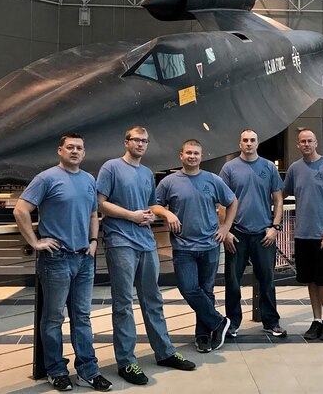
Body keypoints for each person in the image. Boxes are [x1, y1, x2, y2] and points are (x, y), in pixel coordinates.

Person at [97, 126, 196, 386]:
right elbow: (100, 203)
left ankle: (164, 351)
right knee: (123, 304)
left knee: (153, 299)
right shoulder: (111, 167)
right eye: (136, 140)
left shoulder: (146, 172)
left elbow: (151, 203)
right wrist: (131, 215)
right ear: (126, 141)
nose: (140, 144)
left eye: (144, 141)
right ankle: (127, 361)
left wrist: (159, 214)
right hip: (120, 240)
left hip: (145, 240)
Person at [13, 133, 112, 392]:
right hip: (56, 259)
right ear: (60, 150)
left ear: (84, 152)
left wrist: (93, 240)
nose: (75, 151)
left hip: (83, 258)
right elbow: (20, 209)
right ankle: (56, 371)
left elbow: (93, 212)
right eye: (70, 147)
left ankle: (88, 371)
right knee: (54, 317)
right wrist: (35, 242)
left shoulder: (89, 179)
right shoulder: (46, 178)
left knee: (82, 317)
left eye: (80, 148)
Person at [152, 139, 238, 353]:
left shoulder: (212, 179)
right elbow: (153, 204)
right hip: (183, 248)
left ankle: (203, 336)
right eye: (188, 153)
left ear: (202, 156)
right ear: (181, 155)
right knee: (189, 288)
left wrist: (226, 228)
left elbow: (232, 201)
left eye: (196, 153)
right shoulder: (169, 182)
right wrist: (167, 212)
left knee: (206, 291)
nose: (192, 156)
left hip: (210, 244)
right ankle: (219, 322)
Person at [220, 129, 286, 338]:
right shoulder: (229, 169)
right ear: (240, 144)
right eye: (245, 140)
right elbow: (222, 202)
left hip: (263, 234)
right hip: (236, 234)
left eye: (252, 140)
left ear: (258, 143)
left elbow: (278, 199)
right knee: (232, 281)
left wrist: (274, 227)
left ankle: (271, 322)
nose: (249, 143)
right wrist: (226, 230)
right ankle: (232, 323)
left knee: (267, 279)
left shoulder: (268, 167)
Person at [283, 128, 323, 342]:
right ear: (298, 144)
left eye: (310, 141)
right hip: (302, 234)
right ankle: (316, 319)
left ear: (316, 143)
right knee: (310, 280)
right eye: (302, 141)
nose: (306, 144)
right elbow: (282, 193)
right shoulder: (294, 169)